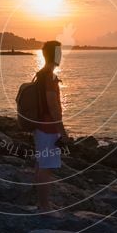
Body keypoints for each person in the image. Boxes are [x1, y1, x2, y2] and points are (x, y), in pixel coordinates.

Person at [33, 40, 69, 211]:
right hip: (48, 127)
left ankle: (42, 203)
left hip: (40, 126)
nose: (61, 55)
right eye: (59, 52)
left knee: (41, 164)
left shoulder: (40, 74)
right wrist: (62, 131)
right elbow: (53, 106)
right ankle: (44, 206)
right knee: (46, 167)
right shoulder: (50, 77)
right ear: (54, 54)